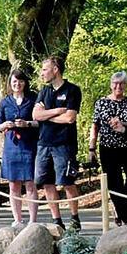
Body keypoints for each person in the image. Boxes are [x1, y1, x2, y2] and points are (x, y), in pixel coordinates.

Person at [32, 55, 84, 231]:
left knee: (67, 182)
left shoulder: (72, 90)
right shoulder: (44, 92)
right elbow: (36, 116)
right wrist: (55, 112)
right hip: (43, 143)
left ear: (56, 70)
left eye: (45, 69)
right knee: (47, 182)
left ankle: (75, 218)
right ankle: (57, 220)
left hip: (64, 144)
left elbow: (70, 118)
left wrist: (47, 116)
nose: (42, 73)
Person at [89, 71, 127, 226]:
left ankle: (123, 211)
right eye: (115, 83)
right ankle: (125, 217)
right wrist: (91, 148)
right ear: (111, 84)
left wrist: (122, 124)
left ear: (126, 85)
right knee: (114, 183)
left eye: (122, 83)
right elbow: (95, 125)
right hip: (108, 148)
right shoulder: (101, 103)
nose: (118, 86)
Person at [0, 68, 40, 225]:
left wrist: (27, 123)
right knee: (13, 184)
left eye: (20, 81)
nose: (18, 84)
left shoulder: (33, 99)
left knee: (30, 183)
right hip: (11, 146)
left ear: (25, 83)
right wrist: (5, 125)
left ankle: (33, 220)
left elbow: (40, 122)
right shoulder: (5, 102)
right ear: (10, 83)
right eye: (14, 81)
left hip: (29, 145)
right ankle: (17, 220)